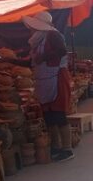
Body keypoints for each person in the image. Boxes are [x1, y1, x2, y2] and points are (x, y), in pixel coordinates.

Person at [23, 11, 74, 162]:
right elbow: (32, 62)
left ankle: (67, 149)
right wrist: (8, 60)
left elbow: (61, 51)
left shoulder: (53, 35)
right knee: (49, 117)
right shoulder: (37, 41)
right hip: (44, 81)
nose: (31, 30)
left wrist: (43, 57)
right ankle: (56, 147)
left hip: (56, 78)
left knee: (59, 115)